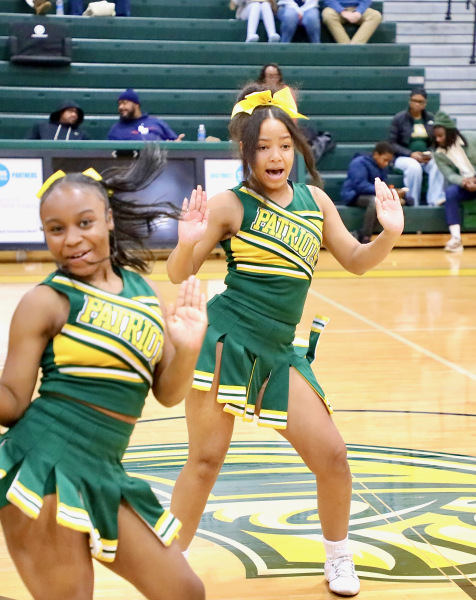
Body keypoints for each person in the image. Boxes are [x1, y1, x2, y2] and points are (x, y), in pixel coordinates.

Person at [166, 85, 404, 597]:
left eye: (284, 145)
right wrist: (185, 243)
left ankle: (338, 557)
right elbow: (178, 273)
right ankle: (168, 563)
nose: (275, 156)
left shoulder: (316, 201)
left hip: (278, 350)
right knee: (205, 461)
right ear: (245, 151)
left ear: (296, 147)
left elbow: (356, 261)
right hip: (225, 341)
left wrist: (387, 235)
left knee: (333, 456)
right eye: (262, 147)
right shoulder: (231, 205)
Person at [0, 145, 207, 600]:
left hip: (104, 471)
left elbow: (167, 392)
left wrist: (190, 348)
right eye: (56, 229)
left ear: (108, 220)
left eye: (85, 223)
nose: (71, 239)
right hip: (44, 468)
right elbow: (11, 404)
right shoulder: (46, 301)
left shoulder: (143, 292)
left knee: (184, 591)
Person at [340, 141, 408, 243]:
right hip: (353, 194)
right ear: (376, 154)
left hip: (371, 194)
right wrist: (384, 191)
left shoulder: (382, 167)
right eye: (385, 160)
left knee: (394, 201)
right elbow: (359, 185)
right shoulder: (359, 163)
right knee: (375, 201)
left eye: (388, 161)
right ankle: (365, 235)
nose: (386, 163)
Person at [388, 88, 445, 207]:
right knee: (414, 167)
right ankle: (413, 202)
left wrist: (430, 153)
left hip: (424, 157)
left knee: (438, 163)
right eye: (414, 101)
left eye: (420, 102)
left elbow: (435, 142)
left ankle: (435, 200)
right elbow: (392, 144)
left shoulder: (430, 118)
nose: (417, 104)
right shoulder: (399, 119)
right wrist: (410, 154)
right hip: (403, 157)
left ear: (425, 104)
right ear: (410, 101)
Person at [432, 111, 476, 253]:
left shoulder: (471, 138)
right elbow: (449, 175)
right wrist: (464, 182)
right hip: (466, 184)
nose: (438, 139)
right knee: (450, 193)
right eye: (436, 136)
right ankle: (456, 239)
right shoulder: (438, 153)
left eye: (441, 136)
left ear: (450, 133)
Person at [107, 89, 185, 142]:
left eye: (124, 103)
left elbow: (174, 142)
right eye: (119, 104)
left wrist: (176, 143)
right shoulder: (116, 130)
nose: (120, 107)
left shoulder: (156, 122)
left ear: (136, 105)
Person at [25, 100, 91, 141]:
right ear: (61, 112)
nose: (74, 115)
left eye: (76, 113)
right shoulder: (41, 128)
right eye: (70, 111)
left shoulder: (82, 134)